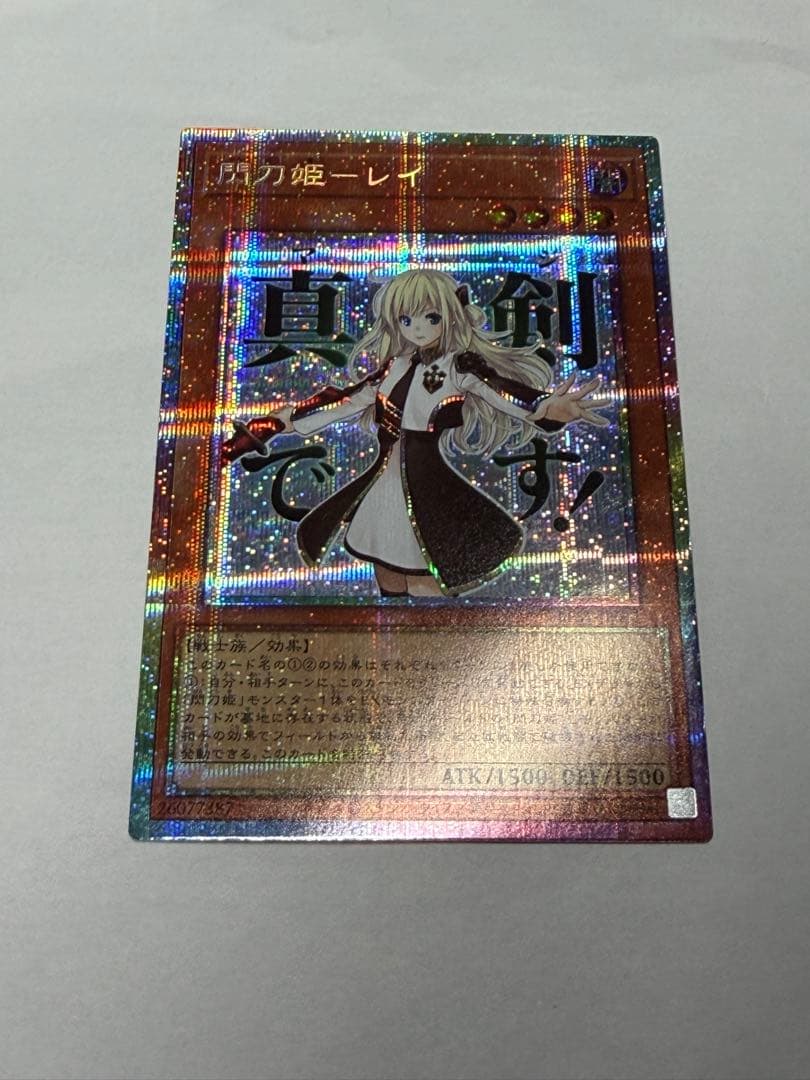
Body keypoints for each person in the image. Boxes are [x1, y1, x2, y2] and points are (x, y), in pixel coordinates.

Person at [224, 268, 607, 597]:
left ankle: (430, 638)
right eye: (406, 320)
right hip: (385, 477)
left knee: (430, 570)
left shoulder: (459, 366)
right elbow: (349, 399)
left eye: (430, 317)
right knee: (384, 561)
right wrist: (283, 421)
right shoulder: (396, 364)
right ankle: (390, 632)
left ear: (450, 316)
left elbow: (501, 390)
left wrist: (545, 407)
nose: (418, 329)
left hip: (428, 481)